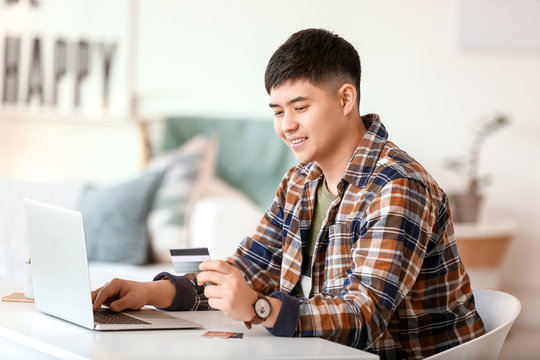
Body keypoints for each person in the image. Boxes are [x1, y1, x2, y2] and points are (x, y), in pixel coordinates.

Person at [92, 28, 485, 359]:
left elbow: (364, 317)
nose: (286, 125)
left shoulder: (398, 187)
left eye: (300, 107)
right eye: (278, 111)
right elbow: (249, 267)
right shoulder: (300, 181)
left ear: (346, 99)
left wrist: (259, 308)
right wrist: (151, 292)